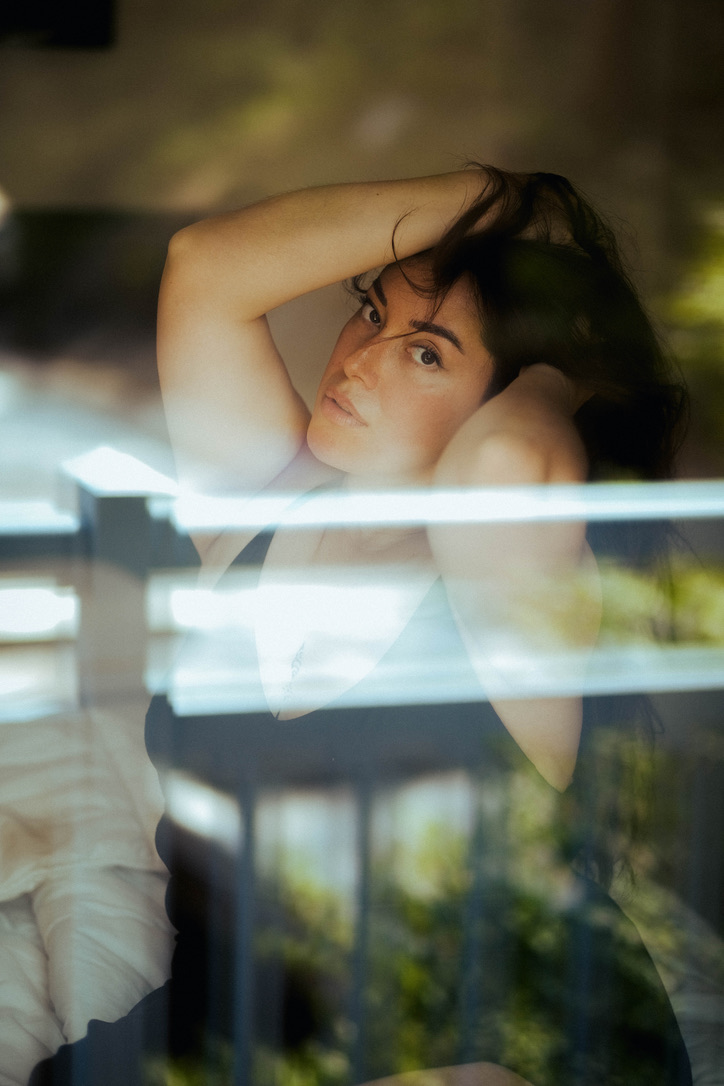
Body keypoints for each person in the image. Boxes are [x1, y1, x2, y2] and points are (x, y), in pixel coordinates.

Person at [31, 167, 691, 1085]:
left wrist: (564, 368)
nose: (358, 360)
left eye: (427, 355)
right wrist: (499, 197)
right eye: (373, 314)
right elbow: (209, 264)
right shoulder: (265, 506)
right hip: (250, 1020)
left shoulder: (516, 592)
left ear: (516, 397)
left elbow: (502, 461)